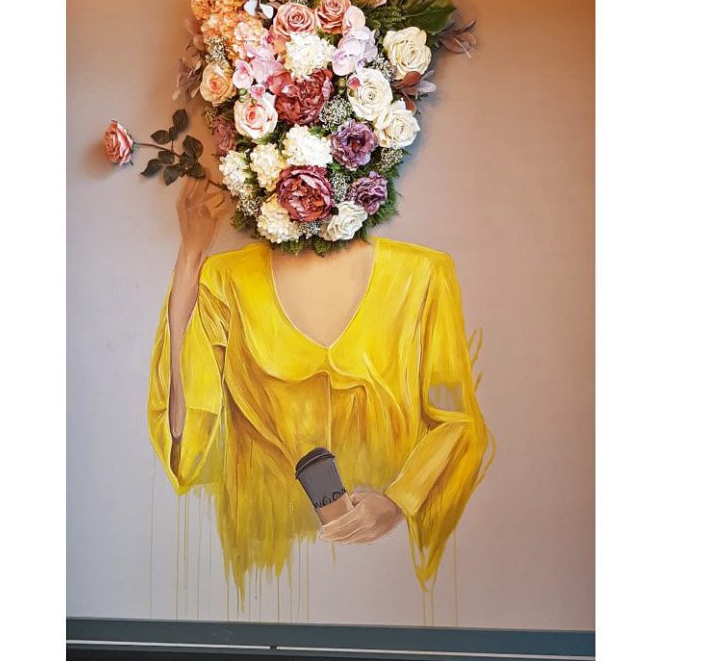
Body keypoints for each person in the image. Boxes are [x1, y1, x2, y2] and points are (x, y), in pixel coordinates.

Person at [148, 178, 493, 599]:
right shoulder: (227, 279)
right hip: (264, 569)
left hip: (387, 579)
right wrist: (190, 257)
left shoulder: (422, 275)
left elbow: (457, 422)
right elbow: (186, 438)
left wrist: (398, 501)